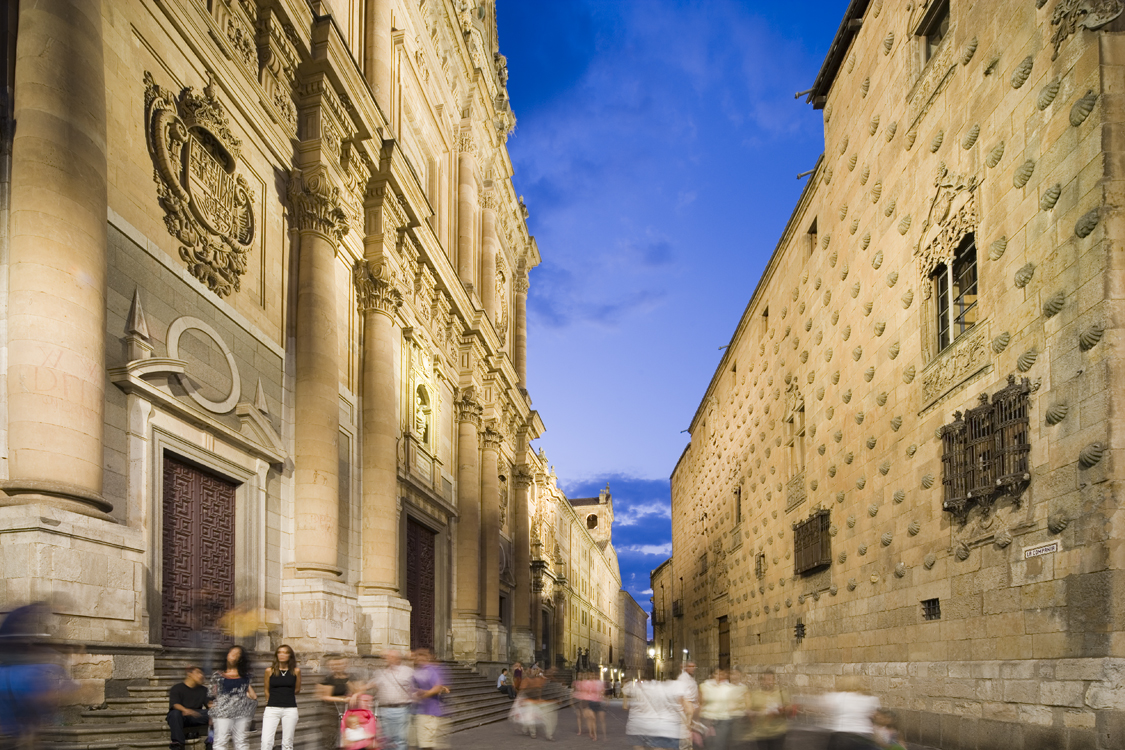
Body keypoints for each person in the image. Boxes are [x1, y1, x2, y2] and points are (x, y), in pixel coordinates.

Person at [211, 645, 257, 750]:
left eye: (237, 654)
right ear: (227, 655)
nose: (234, 656)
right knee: (221, 741)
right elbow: (214, 694)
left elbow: (253, 696)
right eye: (232, 653)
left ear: (240, 659)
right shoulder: (219, 675)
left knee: (241, 741)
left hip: (241, 711)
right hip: (224, 711)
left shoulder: (244, 677)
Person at [368, 649, 413, 750]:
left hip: (401, 709)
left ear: (398, 658)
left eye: (392, 657)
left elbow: (416, 686)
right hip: (384, 709)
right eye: (388, 657)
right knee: (386, 739)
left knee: (400, 739)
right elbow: (371, 684)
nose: (389, 659)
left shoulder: (407, 671)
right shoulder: (381, 672)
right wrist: (358, 691)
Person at [820, 678, 880, 750]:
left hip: (842, 735)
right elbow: (875, 716)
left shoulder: (837, 697)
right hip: (862, 735)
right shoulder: (869, 700)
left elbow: (823, 707)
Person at [261, 644, 301, 750]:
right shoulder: (269, 671)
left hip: (290, 709)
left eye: (285, 652)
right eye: (279, 652)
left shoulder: (296, 671)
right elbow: (266, 689)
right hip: (272, 708)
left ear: (290, 656)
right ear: (276, 655)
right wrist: (269, 701)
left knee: (287, 743)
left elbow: (297, 689)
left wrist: (285, 694)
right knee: (266, 742)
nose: (282, 655)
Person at [411, 649, 449, 750]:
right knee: (418, 743)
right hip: (418, 711)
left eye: (421, 657)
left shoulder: (431, 670)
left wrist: (424, 694)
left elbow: (437, 686)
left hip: (429, 713)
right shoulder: (417, 672)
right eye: (417, 657)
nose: (418, 659)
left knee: (426, 744)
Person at [700, 668, 745, 750]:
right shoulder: (705, 686)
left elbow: (734, 703)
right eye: (717, 673)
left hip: (723, 720)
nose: (720, 676)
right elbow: (701, 702)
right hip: (707, 719)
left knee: (720, 744)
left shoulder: (729, 687)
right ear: (713, 675)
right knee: (708, 744)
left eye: (722, 674)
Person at [167, 666, 210, 750]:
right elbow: (175, 704)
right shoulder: (177, 688)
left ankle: (211, 742)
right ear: (189, 674)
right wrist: (186, 710)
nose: (201, 676)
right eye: (198, 673)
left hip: (196, 715)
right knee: (174, 714)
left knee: (216, 713)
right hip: (181, 715)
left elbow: (210, 705)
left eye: (202, 674)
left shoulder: (204, 690)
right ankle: (177, 744)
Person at [317, 655, 355, 747]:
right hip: (331, 711)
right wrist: (343, 699)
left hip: (346, 710)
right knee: (331, 736)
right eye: (335, 665)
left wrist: (354, 694)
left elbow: (355, 690)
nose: (337, 666)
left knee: (346, 735)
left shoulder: (349, 678)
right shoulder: (328, 679)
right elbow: (324, 696)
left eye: (340, 664)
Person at [747, 669, 789, 750]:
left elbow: (789, 708)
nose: (767, 682)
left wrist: (782, 710)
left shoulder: (781, 693)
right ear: (761, 681)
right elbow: (749, 711)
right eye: (764, 680)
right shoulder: (755, 694)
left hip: (778, 732)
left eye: (770, 679)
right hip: (761, 733)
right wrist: (757, 717)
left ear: (774, 681)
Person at [676, 662, 699, 750]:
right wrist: (688, 710)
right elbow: (681, 696)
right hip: (687, 709)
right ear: (685, 667)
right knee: (685, 735)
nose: (693, 668)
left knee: (689, 735)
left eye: (693, 666)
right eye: (690, 666)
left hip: (691, 707)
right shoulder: (683, 678)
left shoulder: (690, 678)